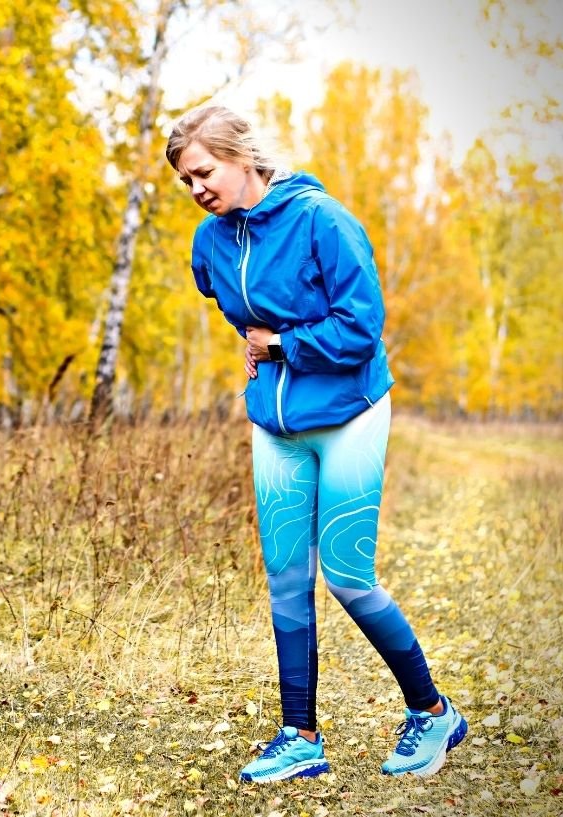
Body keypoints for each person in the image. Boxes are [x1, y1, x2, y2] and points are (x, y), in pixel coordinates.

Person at [165, 104, 467, 782]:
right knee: (286, 580)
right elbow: (237, 310)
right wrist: (258, 348)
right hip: (274, 423)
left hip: (351, 412)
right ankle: (300, 735)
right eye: (186, 181)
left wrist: (279, 344)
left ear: (245, 157)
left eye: (205, 172)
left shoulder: (321, 221)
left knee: (349, 575)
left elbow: (361, 327)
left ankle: (433, 711)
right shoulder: (208, 244)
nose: (197, 190)